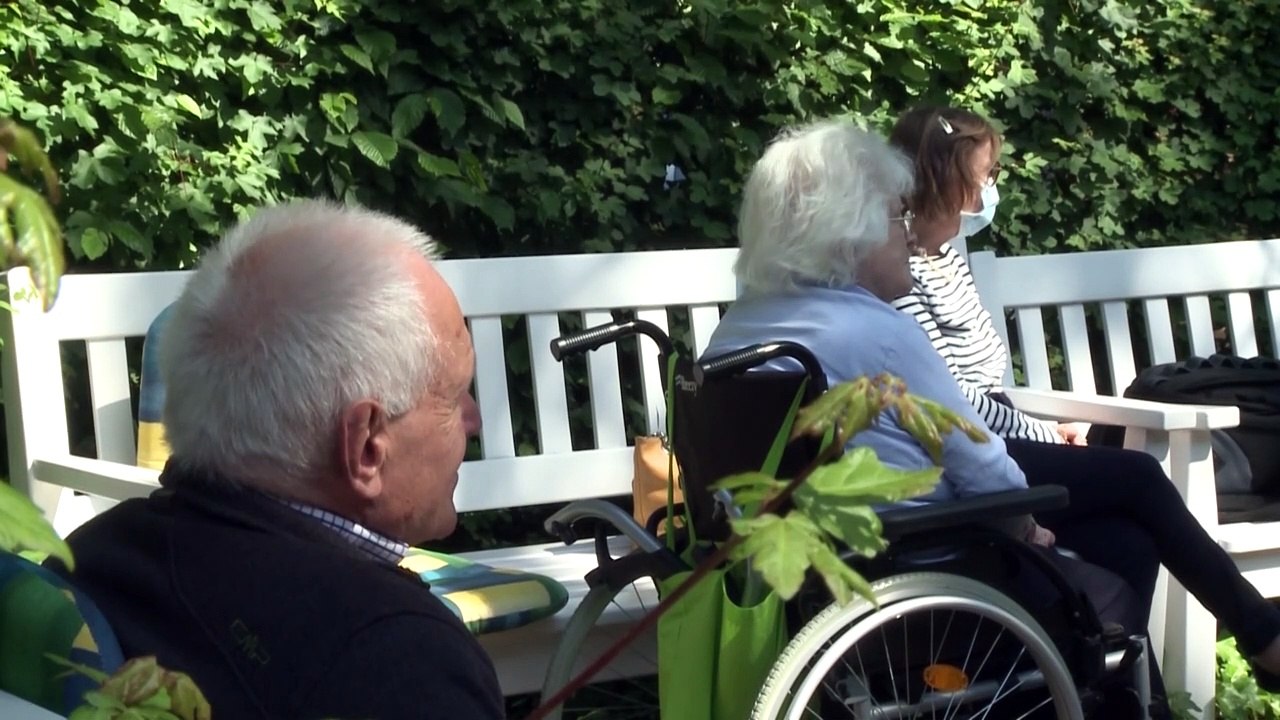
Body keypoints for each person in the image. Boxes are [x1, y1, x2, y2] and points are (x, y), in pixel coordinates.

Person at [48, 201, 505, 719]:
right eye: (453, 396)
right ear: (367, 448)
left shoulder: (88, 561)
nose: (473, 419)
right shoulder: (396, 659)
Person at [887, 105, 1280, 692]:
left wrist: (1039, 426)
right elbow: (951, 400)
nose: (989, 191)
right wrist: (1046, 432)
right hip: (965, 456)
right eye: (982, 177)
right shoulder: (896, 267)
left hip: (1000, 434)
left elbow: (984, 380)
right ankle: (1264, 636)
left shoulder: (946, 257)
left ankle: (1115, 702)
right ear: (944, 181)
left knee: (1130, 542)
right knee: (1141, 477)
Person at [702, 117, 1138, 630]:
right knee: (1114, 592)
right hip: (922, 568)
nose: (909, 235)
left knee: (1123, 537)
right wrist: (1026, 525)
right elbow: (980, 466)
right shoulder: (878, 333)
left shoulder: (734, 332)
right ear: (852, 231)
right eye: (896, 217)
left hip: (796, 575)